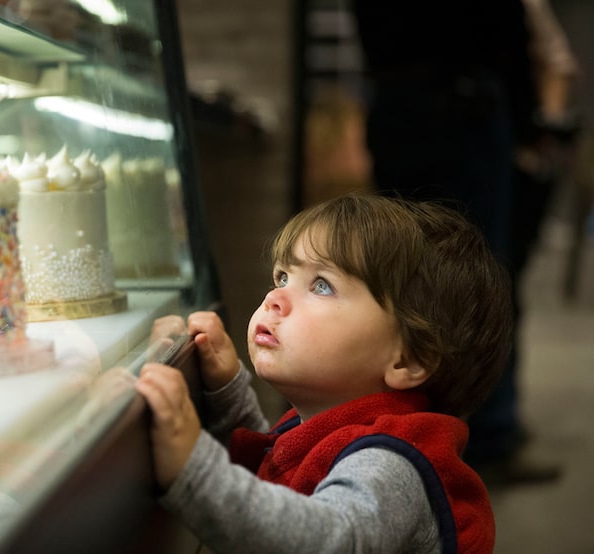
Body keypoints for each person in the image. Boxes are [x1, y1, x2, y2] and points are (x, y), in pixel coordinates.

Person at [136, 195, 513, 553]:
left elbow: (317, 539)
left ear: (408, 360)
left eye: (321, 286)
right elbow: (281, 474)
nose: (274, 298)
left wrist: (194, 469)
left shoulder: (392, 466)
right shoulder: (337, 428)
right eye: (283, 277)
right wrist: (226, 389)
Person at [349, 0, 563, 484]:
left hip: (393, 98)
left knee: (405, 270)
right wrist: (528, 122)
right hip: (462, 99)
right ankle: (485, 437)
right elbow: (502, 24)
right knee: (482, 271)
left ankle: (407, 429)